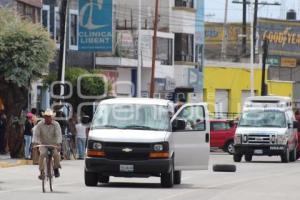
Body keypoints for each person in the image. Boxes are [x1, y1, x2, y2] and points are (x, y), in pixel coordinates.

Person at [33, 108, 62, 179]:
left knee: (56, 155)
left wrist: (58, 143)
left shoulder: (56, 124)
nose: (47, 118)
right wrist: (35, 142)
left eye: (49, 117)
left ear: (52, 117)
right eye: (46, 116)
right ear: (44, 117)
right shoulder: (40, 124)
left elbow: (58, 134)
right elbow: (36, 134)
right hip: (43, 144)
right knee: (42, 154)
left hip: (53, 144)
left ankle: (56, 168)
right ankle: (42, 172)